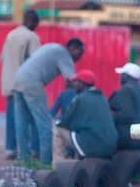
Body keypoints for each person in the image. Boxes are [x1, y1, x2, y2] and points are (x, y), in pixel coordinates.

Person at [12, 38, 85, 166]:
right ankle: (45, 163)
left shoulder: (53, 46)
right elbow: (73, 81)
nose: (80, 58)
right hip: (32, 82)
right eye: (80, 53)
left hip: (18, 79)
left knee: (22, 124)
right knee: (45, 124)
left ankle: (25, 161)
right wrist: (86, 97)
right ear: (73, 48)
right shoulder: (64, 54)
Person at [52, 70, 118, 166]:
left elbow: (65, 122)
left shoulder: (81, 98)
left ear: (82, 84)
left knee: (58, 130)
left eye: (76, 81)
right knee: (79, 133)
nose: (73, 84)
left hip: (93, 146)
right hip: (110, 147)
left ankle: (59, 163)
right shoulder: (102, 97)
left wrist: (57, 122)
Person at [0, 9, 41, 160]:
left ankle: (10, 150)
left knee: (12, 118)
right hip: (25, 85)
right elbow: (36, 62)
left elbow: (3, 59)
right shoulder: (31, 37)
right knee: (34, 118)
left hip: (10, 84)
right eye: (36, 23)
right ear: (32, 21)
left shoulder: (10, 35)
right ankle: (34, 151)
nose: (37, 26)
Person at [109, 63, 140, 151]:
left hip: (128, 140)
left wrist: (108, 118)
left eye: (122, 74)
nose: (120, 77)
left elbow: (127, 114)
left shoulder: (126, 90)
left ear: (126, 76)